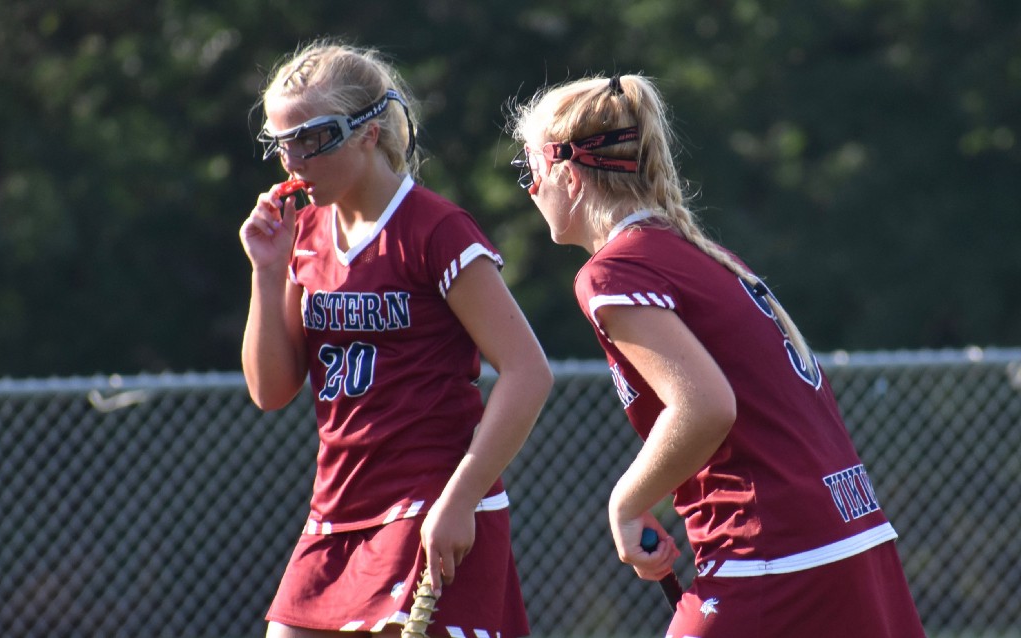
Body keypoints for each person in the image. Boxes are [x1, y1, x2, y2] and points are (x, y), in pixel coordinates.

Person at [507, 73, 926, 638]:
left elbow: (704, 407)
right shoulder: (700, 254)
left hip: (773, 556)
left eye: (528, 168)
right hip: (850, 538)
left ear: (568, 170)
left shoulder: (613, 272)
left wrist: (625, 504)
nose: (530, 189)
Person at [239, 39, 552, 638]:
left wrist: (460, 500)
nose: (294, 161)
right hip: (336, 513)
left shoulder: (436, 229)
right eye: (283, 143)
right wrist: (268, 268)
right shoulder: (304, 235)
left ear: (368, 131)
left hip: (430, 506)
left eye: (313, 137)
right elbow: (271, 389)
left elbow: (527, 371)